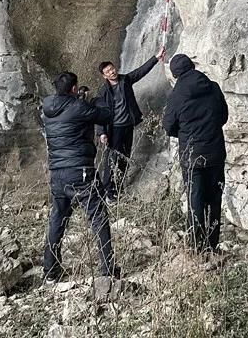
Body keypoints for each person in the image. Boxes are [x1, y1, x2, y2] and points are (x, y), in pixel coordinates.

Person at [41, 72, 118, 282]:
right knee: (98, 217)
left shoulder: (47, 109)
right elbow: (106, 115)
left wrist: (80, 101)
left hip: (57, 173)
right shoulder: (79, 107)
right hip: (80, 170)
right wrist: (95, 101)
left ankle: (50, 271)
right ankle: (108, 270)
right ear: (74, 89)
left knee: (58, 219)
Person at [162, 54, 228, 255]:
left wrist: (184, 134)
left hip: (192, 156)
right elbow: (223, 116)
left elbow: (168, 126)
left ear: (175, 74)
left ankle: (197, 247)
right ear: (192, 66)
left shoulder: (176, 95)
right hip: (215, 151)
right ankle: (213, 244)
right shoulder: (213, 87)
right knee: (214, 198)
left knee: (195, 199)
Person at [96, 47, 165, 202]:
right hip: (114, 129)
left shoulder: (125, 80)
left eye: (112, 68)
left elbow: (141, 72)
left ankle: (119, 188)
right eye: (108, 71)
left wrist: (156, 57)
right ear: (104, 76)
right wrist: (102, 132)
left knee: (125, 157)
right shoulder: (103, 92)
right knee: (111, 159)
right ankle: (108, 191)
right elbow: (99, 113)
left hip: (128, 126)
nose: (112, 72)